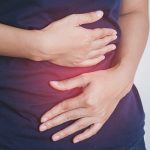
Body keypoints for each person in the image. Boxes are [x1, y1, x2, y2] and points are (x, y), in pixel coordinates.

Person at [0, 0, 149, 149]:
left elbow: (133, 10)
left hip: (118, 130)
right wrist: (39, 45)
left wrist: (124, 74)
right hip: (17, 131)